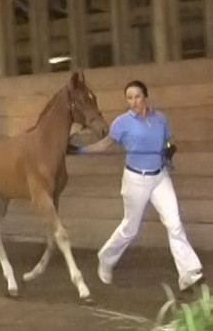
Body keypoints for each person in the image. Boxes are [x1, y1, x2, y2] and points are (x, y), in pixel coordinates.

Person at [70, 80, 205, 293]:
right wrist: (80, 151)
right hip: (135, 180)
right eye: (129, 98)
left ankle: (188, 273)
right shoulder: (122, 123)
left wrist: (170, 150)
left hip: (160, 177)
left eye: (137, 97)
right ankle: (106, 258)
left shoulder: (160, 119)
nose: (133, 102)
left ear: (145, 98)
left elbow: (170, 141)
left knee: (175, 223)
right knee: (130, 229)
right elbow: (105, 144)